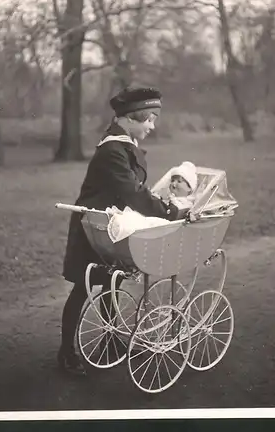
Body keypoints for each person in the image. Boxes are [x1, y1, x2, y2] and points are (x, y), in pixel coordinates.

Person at [58, 86, 182, 376]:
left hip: (112, 224)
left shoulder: (123, 145)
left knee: (112, 281)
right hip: (94, 224)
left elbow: (135, 191)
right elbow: (133, 193)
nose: (152, 125)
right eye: (149, 119)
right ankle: (66, 352)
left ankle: (112, 340)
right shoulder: (113, 149)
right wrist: (169, 212)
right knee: (84, 287)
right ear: (129, 118)